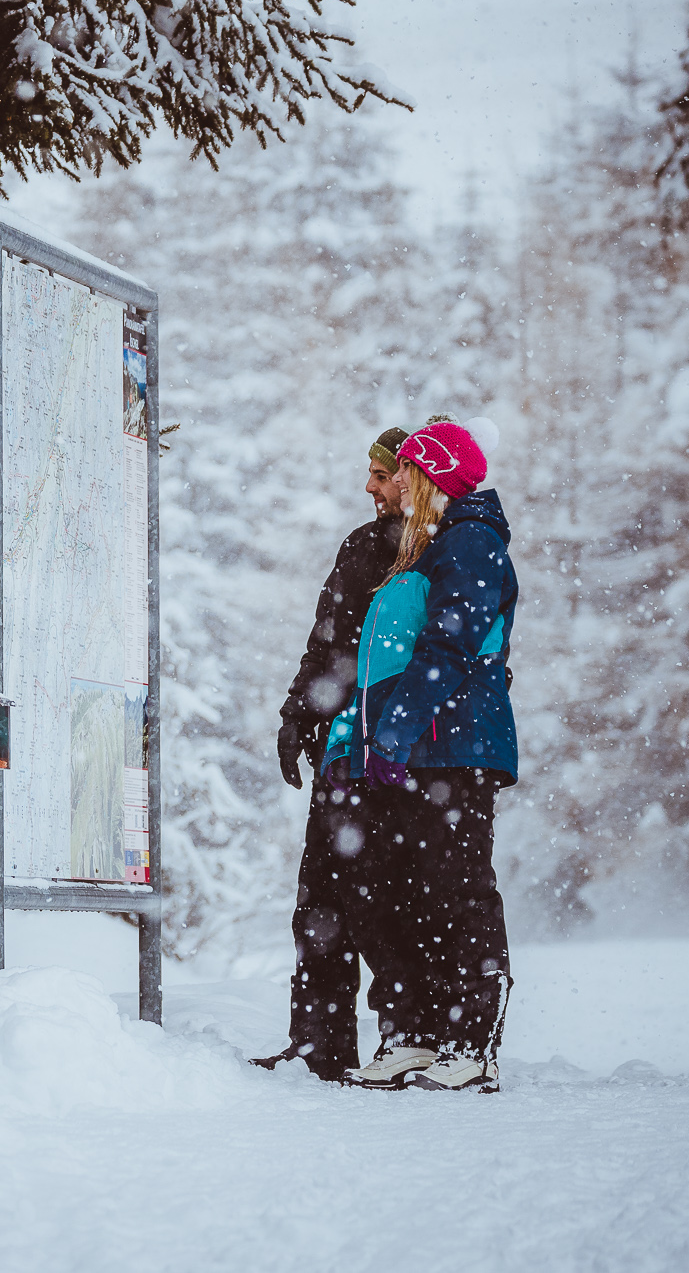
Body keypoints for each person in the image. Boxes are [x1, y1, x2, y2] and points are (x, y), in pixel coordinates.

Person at [322, 418, 518, 1092]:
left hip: (452, 751)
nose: (391, 479)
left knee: (457, 888)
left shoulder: (470, 542)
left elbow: (449, 647)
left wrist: (397, 731)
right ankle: (412, 1033)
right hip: (412, 752)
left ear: (429, 475)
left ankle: (473, 1041)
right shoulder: (425, 550)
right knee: (393, 892)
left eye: (404, 467)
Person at [252, 425, 412, 1083]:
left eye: (380, 475)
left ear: (412, 476)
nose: (368, 487)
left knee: (384, 902)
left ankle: (407, 1041)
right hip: (340, 752)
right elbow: (326, 644)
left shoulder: (434, 552)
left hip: (392, 758)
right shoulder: (363, 545)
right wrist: (298, 715)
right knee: (319, 901)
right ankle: (320, 1043)